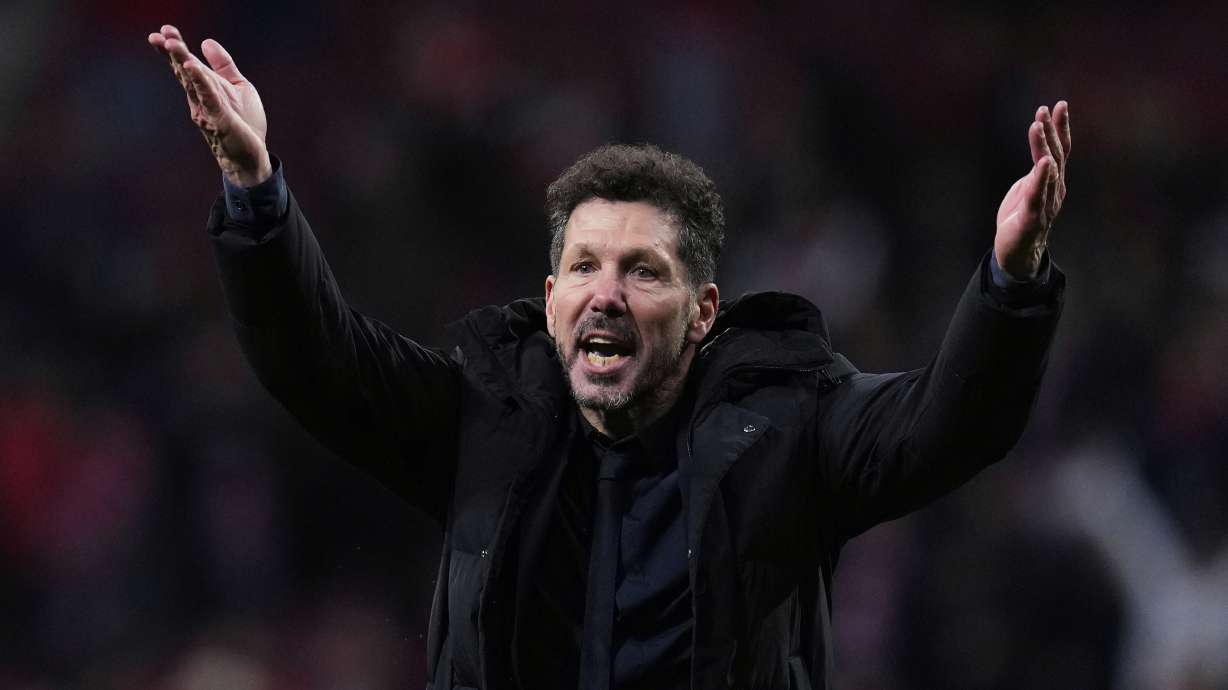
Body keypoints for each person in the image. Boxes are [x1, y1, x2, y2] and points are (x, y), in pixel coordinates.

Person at [148, 24, 1070, 690]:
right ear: (548, 299)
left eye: (642, 272)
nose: (606, 294)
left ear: (705, 309)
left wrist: (1009, 283)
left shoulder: (789, 423)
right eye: (583, 266)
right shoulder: (485, 419)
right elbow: (319, 363)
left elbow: (952, 424)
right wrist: (255, 194)